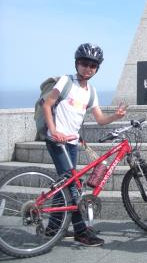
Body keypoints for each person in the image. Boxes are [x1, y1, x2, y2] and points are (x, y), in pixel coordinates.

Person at [42, 43, 127, 247]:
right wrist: (54, 131)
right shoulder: (66, 81)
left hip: (72, 143)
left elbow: (99, 120)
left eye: (92, 65)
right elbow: (47, 104)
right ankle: (81, 231)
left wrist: (115, 116)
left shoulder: (91, 91)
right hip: (57, 141)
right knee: (72, 189)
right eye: (84, 63)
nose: (87, 68)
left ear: (97, 68)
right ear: (76, 63)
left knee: (66, 185)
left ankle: (53, 229)